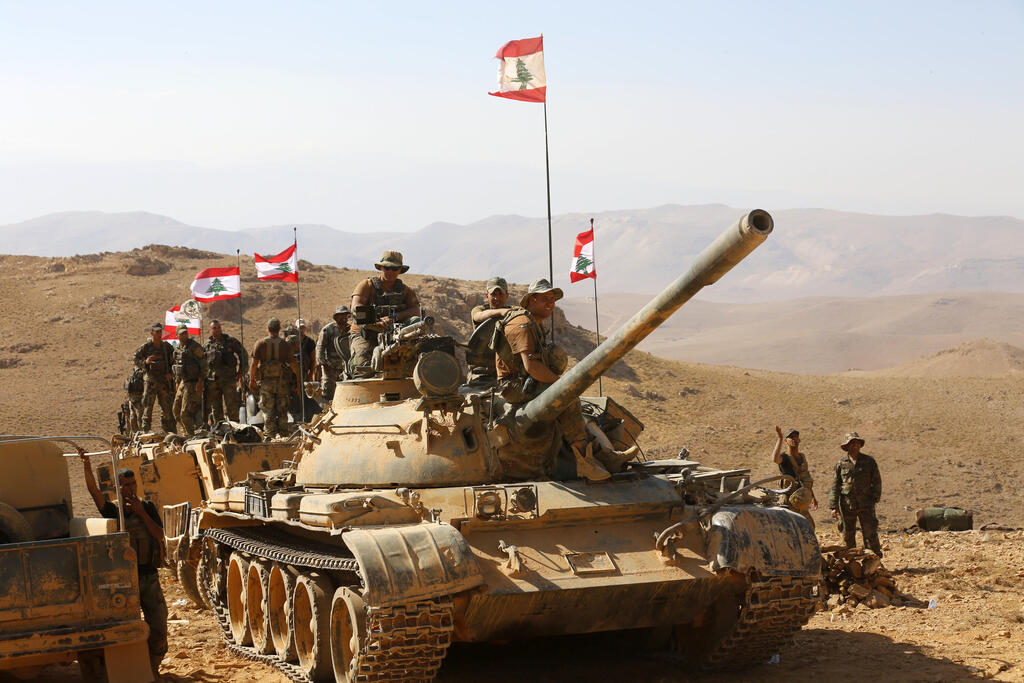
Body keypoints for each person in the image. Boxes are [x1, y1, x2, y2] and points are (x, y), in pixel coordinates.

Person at [494, 278, 634, 482]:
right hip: (513, 387)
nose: (551, 303)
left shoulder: (534, 324)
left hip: (527, 382)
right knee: (567, 400)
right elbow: (531, 366)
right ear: (532, 299)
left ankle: (603, 454)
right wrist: (562, 385)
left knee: (570, 398)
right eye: (545, 299)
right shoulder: (522, 324)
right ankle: (586, 463)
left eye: (553, 299)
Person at [79, 452, 167, 680]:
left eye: (133, 483)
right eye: (125, 485)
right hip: (121, 580)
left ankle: (152, 668)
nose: (130, 488)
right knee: (121, 627)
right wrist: (87, 467)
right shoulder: (112, 510)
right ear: (118, 487)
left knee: (158, 625)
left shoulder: (147, 507)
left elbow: (159, 535)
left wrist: (141, 514)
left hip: (148, 576)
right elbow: (94, 493)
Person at [349, 250, 420, 373]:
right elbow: (356, 308)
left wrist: (395, 317)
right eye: (387, 268)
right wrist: (375, 321)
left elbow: (415, 311)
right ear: (381, 268)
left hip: (395, 336)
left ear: (400, 270)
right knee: (363, 367)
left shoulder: (405, 290)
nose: (390, 272)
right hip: (365, 334)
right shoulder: (367, 285)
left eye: (395, 269)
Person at [829, 432, 883, 557]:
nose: (854, 445)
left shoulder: (869, 462)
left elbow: (877, 481)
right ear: (847, 446)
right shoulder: (841, 464)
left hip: (866, 504)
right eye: (851, 443)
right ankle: (850, 562)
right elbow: (835, 485)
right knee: (848, 534)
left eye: (856, 443)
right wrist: (833, 506)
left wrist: (874, 498)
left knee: (870, 533)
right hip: (847, 505)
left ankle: (874, 561)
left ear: (860, 445)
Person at [248, 317, 299, 437]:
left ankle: (269, 438)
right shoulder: (285, 346)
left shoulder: (260, 344)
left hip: (266, 385)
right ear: (279, 329)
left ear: (268, 329)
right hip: (282, 384)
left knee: (268, 413)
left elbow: (254, 365)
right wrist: (298, 381)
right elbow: (294, 366)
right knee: (282, 412)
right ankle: (284, 438)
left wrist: (251, 380)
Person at [466, 276, 512, 387]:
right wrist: (502, 312)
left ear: (507, 295)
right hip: (482, 370)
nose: (497, 298)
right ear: (487, 296)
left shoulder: (512, 311)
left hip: (508, 368)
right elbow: (478, 316)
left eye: (500, 294)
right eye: (493, 294)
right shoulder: (479, 310)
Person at [771, 426, 819, 529]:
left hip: (801, 500)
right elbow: (775, 459)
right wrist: (779, 438)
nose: (794, 439)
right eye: (791, 437)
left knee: (809, 527)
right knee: (790, 528)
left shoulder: (802, 457)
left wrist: (813, 497)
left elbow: (806, 478)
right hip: (788, 501)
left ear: (799, 440)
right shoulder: (784, 458)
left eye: (796, 437)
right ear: (786, 441)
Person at [133, 323, 176, 433]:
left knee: (167, 409)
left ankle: (169, 433)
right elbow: (135, 359)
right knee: (147, 408)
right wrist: (145, 363)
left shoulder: (166, 347)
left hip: (164, 382)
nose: (159, 334)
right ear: (151, 333)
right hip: (151, 381)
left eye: (160, 332)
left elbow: (175, 361)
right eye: (156, 332)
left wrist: (171, 373)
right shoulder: (146, 347)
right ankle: (146, 433)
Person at [204, 319, 247, 423]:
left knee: (232, 406)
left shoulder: (230, 341)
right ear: (210, 330)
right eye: (214, 328)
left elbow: (243, 354)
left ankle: (235, 429)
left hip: (229, 380)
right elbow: (202, 362)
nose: (217, 330)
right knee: (216, 408)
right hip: (213, 382)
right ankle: (220, 430)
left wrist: (241, 371)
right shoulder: (207, 345)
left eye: (219, 327)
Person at [171, 324, 207, 436]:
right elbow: (177, 367)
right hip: (183, 382)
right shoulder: (177, 349)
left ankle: (190, 435)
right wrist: (177, 383)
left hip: (193, 382)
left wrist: (200, 382)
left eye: (185, 333)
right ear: (177, 335)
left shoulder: (194, 347)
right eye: (181, 333)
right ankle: (187, 431)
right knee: (175, 410)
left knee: (184, 413)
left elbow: (204, 365)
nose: (184, 335)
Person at [316, 305, 352, 404]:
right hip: (330, 367)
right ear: (336, 317)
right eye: (341, 315)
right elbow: (320, 347)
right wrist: (323, 363)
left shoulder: (351, 329)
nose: (344, 317)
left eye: (345, 315)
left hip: (346, 367)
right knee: (328, 392)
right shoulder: (328, 330)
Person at [121, 367, 145, 434]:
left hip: (138, 401)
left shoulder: (142, 375)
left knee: (140, 420)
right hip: (131, 402)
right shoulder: (129, 380)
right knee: (132, 421)